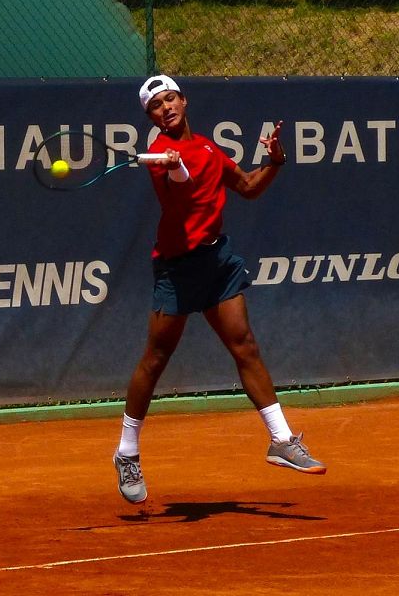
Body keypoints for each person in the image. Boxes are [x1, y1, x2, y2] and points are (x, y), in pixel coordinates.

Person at [113, 75, 326, 504]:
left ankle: (281, 440)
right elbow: (183, 189)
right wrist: (174, 165)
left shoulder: (209, 148)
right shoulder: (159, 158)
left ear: (184, 100)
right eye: (156, 106)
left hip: (218, 261)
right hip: (178, 269)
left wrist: (276, 162)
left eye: (170, 99)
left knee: (244, 345)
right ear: (151, 117)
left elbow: (247, 187)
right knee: (155, 359)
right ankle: (127, 451)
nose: (166, 108)